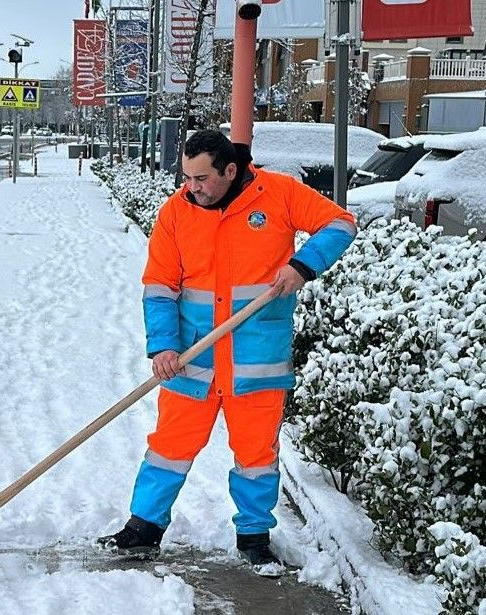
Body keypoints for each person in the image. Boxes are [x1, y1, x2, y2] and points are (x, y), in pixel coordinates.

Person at [97, 129, 357, 576]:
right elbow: (159, 286)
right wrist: (162, 345)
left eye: (201, 178)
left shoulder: (277, 194)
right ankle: (143, 527)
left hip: (255, 355)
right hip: (191, 356)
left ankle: (254, 537)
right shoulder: (177, 212)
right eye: (186, 176)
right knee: (169, 447)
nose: (191, 187)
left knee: (256, 453)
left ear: (229, 170)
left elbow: (340, 224)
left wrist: (302, 265)